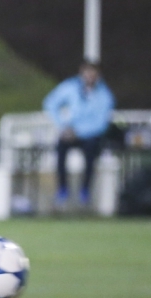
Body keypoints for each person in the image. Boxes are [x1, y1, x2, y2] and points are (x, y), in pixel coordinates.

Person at [42, 61, 115, 207]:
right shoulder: (71, 87)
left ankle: (85, 190)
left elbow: (101, 123)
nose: (89, 76)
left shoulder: (104, 94)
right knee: (61, 148)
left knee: (91, 151)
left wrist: (79, 133)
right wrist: (63, 126)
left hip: (90, 136)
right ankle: (62, 188)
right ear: (81, 72)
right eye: (87, 72)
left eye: (93, 73)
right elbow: (50, 103)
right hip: (70, 132)